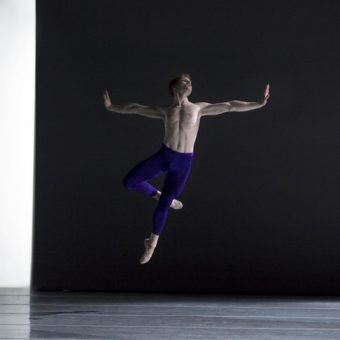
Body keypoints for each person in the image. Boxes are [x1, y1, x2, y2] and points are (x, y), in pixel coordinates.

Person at [103, 74, 270, 264]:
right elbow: (135, 108)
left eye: (190, 81)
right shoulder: (166, 111)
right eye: (184, 81)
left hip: (183, 162)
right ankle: (158, 194)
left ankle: (151, 244)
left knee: (164, 205)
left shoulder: (198, 108)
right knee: (129, 181)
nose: (189, 83)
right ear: (174, 88)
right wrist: (111, 107)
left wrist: (258, 103)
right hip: (164, 156)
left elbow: (230, 105)